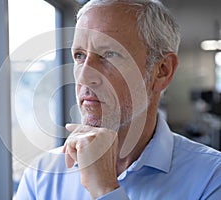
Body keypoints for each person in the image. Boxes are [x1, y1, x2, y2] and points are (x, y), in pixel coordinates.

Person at [14, 0, 221, 199]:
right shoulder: (41, 176)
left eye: (109, 54)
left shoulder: (211, 177)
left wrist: (105, 190)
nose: (84, 76)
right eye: (79, 55)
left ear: (162, 71)